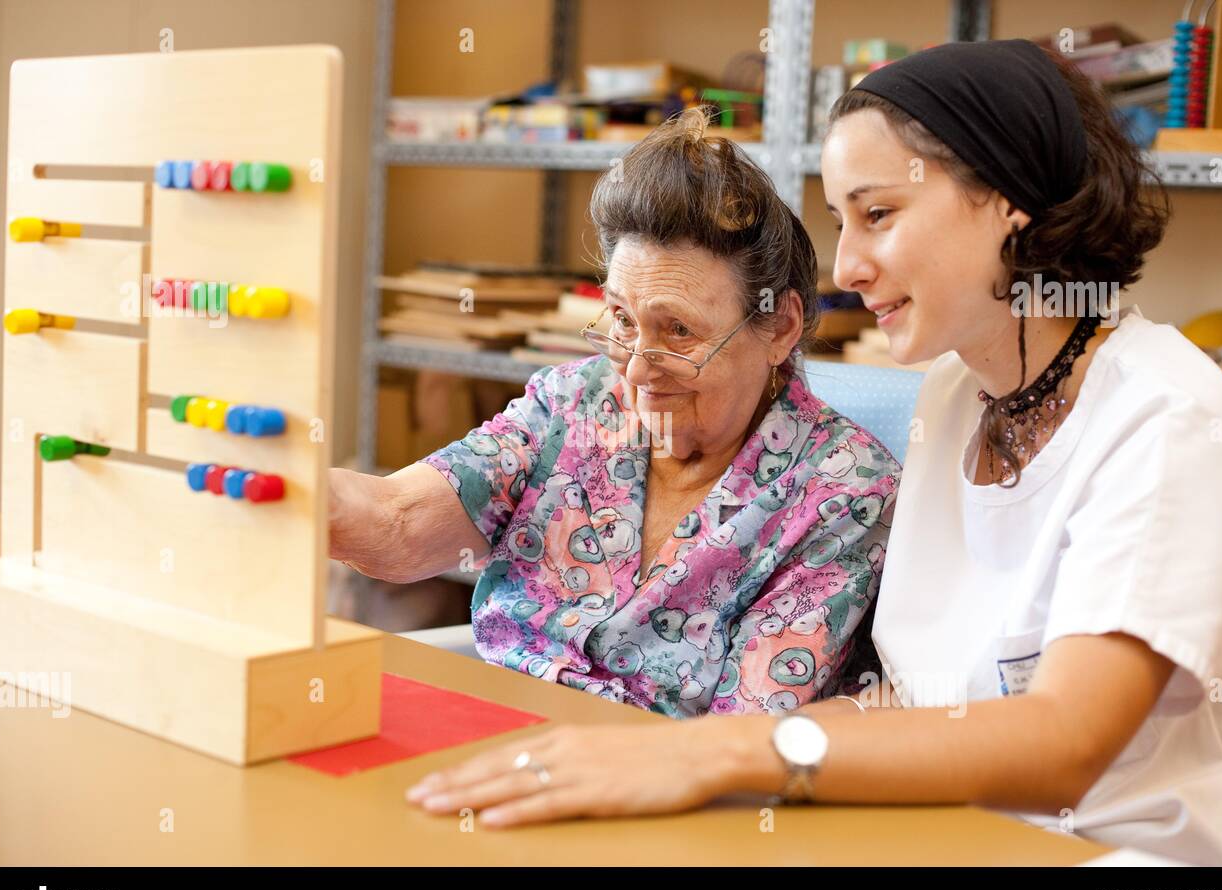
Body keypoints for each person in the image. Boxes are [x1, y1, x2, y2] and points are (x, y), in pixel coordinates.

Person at [405, 40, 1222, 867]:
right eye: (839, 222)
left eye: (879, 214)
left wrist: (714, 752)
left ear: (1013, 203)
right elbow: (915, 702)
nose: (846, 267)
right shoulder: (956, 397)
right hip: (940, 838)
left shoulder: (1167, 421)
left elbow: (1066, 743)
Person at [330, 108, 901, 717]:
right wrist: (285, 484)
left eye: (677, 330)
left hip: (660, 785)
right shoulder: (574, 402)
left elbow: (742, 734)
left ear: (781, 327)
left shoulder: (843, 490)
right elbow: (395, 524)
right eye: (623, 321)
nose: (633, 368)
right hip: (495, 732)